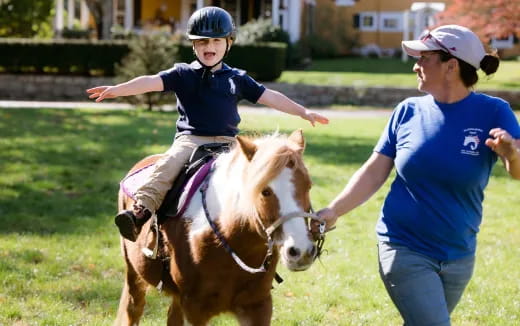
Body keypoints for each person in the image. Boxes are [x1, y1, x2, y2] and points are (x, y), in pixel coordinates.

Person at [316, 25, 520, 325]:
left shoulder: (494, 112)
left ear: (451, 65)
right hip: (403, 247)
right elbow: (374, 171)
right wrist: (333, 210)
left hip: (460, 254)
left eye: (423, 58)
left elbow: (517, 172)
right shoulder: (407, 111)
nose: (415, 65)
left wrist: (511, 153)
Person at [86, 6, 329, 242]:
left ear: (228, 43)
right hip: (191, 141)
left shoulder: (237, 78)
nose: (209, 47)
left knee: (265, 174)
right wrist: (118, 90)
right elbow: (149, 81)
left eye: (216, 41)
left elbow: (271, 96)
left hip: (229, 143)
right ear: (194, 45)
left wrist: (302, 111)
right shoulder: (182, 74)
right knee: (168, 165)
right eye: (202, 42)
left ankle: (295, 220)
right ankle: (140, 212)